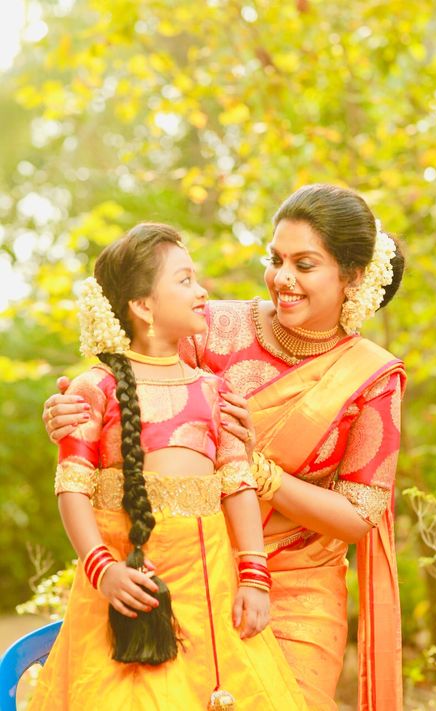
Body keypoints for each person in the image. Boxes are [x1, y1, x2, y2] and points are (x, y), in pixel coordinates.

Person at [44, 184, 407, 711]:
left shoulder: (371, 378)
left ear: (352, 277)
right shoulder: (209, 325)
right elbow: (130, 393)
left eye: (304, 264)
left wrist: (260, 472)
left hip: (298, 587)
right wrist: (71, 414)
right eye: (276, 258)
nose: (282, 278)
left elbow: (359, 516)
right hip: (188, 564)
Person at [31, 223, 308, 710]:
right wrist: (103, 569)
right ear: (142, 305)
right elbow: (71, 488)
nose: (201, 290)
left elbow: (237, 485)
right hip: (124, 587)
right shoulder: (94, 389)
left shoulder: (214, 390)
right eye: (184, 280)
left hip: (212, 594)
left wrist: (253, 575)